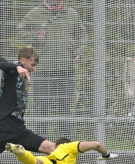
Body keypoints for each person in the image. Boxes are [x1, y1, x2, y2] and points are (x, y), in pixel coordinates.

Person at [16, 0, 87, 140]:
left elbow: (82, 36)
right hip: (43, 69)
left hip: (66, 69)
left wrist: (79, 52)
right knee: (41, 107)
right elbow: (21, 32)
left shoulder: (71, 14)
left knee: (65, 108)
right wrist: (36, 36)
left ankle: (65, 145)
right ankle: (40, 144)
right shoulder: (35, 13)